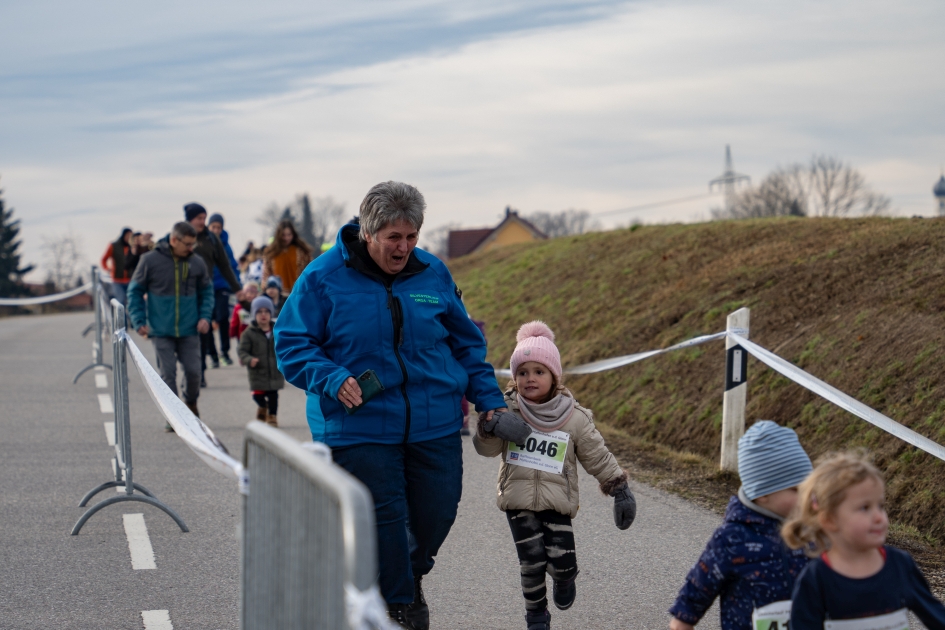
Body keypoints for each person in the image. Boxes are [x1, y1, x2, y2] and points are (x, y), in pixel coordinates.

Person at [274, 181, 507, 629]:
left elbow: (467, 346)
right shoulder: (322, 277)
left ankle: (404, 575)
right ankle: (399, 606)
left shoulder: (432, 273)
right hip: (358, 424)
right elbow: (291, 342)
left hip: (434, 421)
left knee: (437, 512)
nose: (403, 247)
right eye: (393, 238)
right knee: (386, 517)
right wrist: (330, 376)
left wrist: (488, 401)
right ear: (368, 233)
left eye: (412, 236)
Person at [473, 321, 636, 630]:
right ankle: (536, 615)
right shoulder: (506, 410)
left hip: (557, 501)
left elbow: (596, 454)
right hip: (517, 501)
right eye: (522, 372)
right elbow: (486, 450)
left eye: (538, 371)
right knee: (531, 561)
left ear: (554, 376)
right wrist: (489, 425)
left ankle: (565, 576)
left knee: (562, 561)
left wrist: (619, 488)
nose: (529, 378)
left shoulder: (573, 417)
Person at [668, 420, 813, 630]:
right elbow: (694, 595)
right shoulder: (731, 538)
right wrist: (681, 623)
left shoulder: (813, 532)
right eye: (796, 490)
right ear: (762, 493)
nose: (807, 498)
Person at [784, 452, 945, 629]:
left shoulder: (900, 565)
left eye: (881, 506)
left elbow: (937, 617)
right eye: (864, 508)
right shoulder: (815, 579)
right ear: (829, 519)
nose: (879, 517)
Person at [127, 222, 212, 429]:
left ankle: (190, 403)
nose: (191, 248)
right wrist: (138, 320)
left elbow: (207, 292)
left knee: (194, 372)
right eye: (188, 244)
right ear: (174, 240)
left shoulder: (197, 263)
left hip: (190, 328)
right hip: (160, 330)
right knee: (167, 374)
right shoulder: (150, 261)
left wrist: (205, 317)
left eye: (194, 244)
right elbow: (134, 292)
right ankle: (173, 415)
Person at [178, 203, 241, 386]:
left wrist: (238, 289)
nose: (202, 222)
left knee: (203, 332)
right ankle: (189, 372)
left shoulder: (211, 239)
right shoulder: (177, 237)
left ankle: (199, 373)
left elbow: (225, 266)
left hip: (206, 292)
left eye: (204, 218)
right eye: (199, 218)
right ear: (190, 219)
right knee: (185, 337)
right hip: (182, 294)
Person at [238, 296, 284, 427]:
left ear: (271, 313)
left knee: (273, 395)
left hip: (274, 371)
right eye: (259, 312)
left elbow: (285, 347)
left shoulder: (278, 331)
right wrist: (249, 359)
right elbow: (242, 351)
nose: (263, 315)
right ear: (254, 314)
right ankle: (263, 407)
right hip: (257, 371)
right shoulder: (248, 333)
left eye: (266, 311)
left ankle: (272, 417)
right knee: (257, 396)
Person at [207, 213, 240, 366]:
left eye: (218, 227)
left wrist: (237, 286)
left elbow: (232, 266)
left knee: (222, 318)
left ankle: (225, 352)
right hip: (206, 287)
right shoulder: (203, 243)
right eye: (213, 227)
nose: (216, 230)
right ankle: (212, 354)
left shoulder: (226, 246)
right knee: (207, 320)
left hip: (222, 286)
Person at [262, 219, 313, 294]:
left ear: (293, 234)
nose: (286, 238)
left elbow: (310, 270)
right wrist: (266, 288)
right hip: (278, 294)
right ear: (279, 235)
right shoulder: (271, 253)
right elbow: (266, 273)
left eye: (289, 235)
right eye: (283, 235)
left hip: (298, 292)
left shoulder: (302, 252)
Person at [100, 228, 138, 305]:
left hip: (130, 279)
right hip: (117, 280)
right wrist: (108, 268)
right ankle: (121, 317)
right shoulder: (113, 246)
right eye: (128, 236)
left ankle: (129, 317)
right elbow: (103, 259)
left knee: (132, 300)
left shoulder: (133, 247)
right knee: (120, 299)